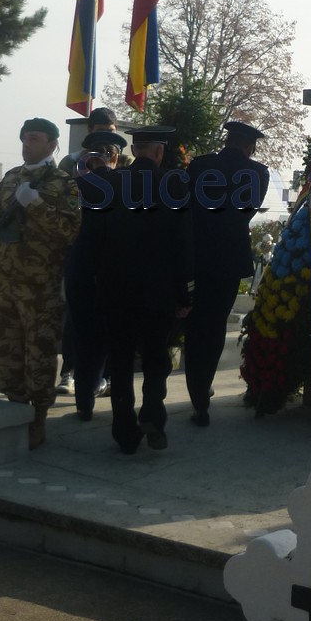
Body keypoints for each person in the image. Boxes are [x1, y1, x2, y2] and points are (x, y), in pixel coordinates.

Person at [78, 125, 193, 454]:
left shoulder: (108, 184)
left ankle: (124, 431)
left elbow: (90, 241)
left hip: (115, 290)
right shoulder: (174, 185)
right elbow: (183, 245)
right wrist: (185, 294)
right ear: (159, 152)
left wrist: (92, 284)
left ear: (134, 149)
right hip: (158, 292)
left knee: (120, 360)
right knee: (157, 358)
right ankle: (153, 415)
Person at [0, 118, 81, 449]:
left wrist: (37, 204)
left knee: (39, 353)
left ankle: (39, 416)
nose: (26, 145)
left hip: (40, 286)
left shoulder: (64, 183)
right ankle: (15, 408)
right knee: (6, 349)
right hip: (5, 281)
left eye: (34, 139)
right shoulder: (11, 178)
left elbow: (71, 230)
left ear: (52, 144)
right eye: (24, 139)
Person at [185, 121, 270, 425]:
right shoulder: (258, 174)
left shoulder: (199, 166)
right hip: (230, 259)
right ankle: (203, 389)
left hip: (197, 257)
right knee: (216, 323)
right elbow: (249, 210)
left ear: (227, 141)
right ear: (250, 147)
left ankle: (197, 391)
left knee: (195, 324)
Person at [65, 129, 127, 421]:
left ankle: (86, 399)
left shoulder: (75, 187)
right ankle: (97, 393)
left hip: (88, 272)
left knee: (87, 337)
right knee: (104, 336)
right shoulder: (125, 187)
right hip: (106, 273)